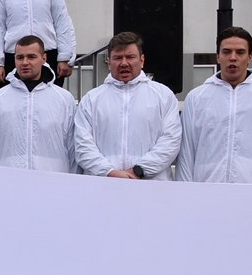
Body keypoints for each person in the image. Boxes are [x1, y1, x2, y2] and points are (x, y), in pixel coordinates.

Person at [177, 26, 252, 184]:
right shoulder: (197, 98)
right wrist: (187, 194)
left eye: (240, 52)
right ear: (218, 56)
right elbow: (186, 153)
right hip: (207, 193)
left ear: (250, 56)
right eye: (226, 52)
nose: (233, 58)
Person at [74, 32, 182, 180]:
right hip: (103, 187)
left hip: (151, 187)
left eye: (130, 57)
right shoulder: (91, 100)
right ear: (108, 62)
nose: (124, 63)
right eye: (118, 58)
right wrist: (110, 172)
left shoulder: (163, 96)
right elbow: (83, 146)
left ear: (142, 60)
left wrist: (139, 171)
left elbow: (171, 141)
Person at [0, 35, 78, 173]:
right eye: (19, 57)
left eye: (31, 57)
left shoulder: (64, 99)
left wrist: (73, 182)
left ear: (44, 58)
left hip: (53, 182)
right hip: (7, 182)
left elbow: (73, 147)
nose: (25, 62)